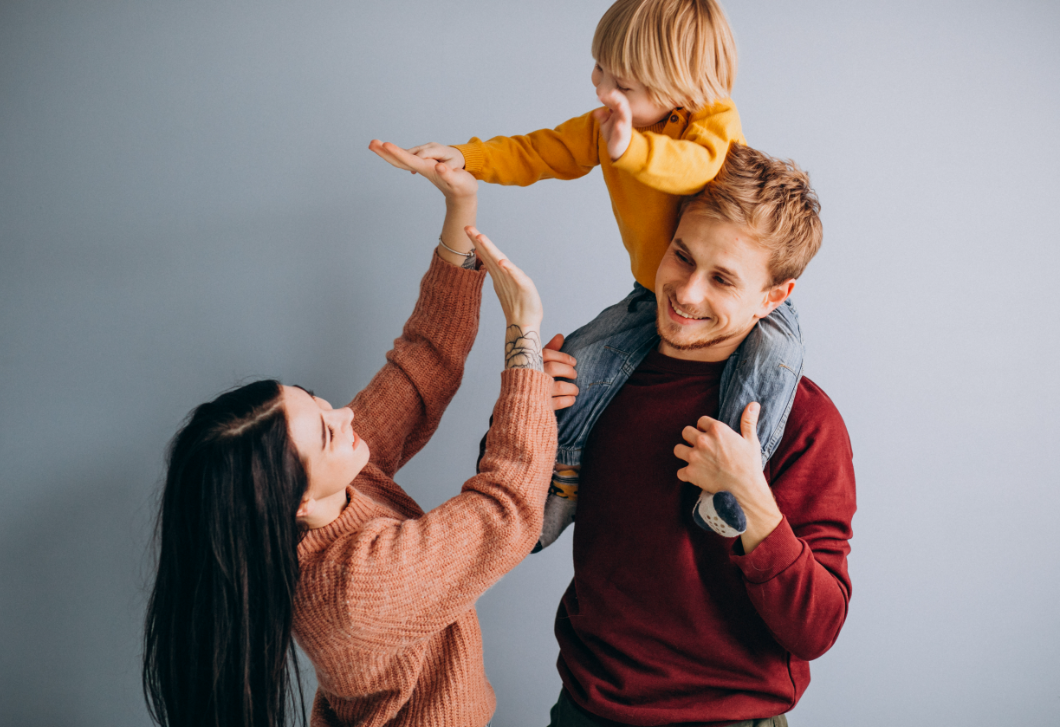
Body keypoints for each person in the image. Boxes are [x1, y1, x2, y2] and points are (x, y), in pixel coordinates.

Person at [141, 145, 576, 727]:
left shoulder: (329, 488)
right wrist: (522, 337)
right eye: (325, 428)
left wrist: (460, 207)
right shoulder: (353, 593)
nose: (345, 416)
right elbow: (503, 515)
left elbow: (422, 365)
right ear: (293, 498)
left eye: (318, 400)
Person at [387, 0, 805, 546]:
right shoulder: (605, 126)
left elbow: (694, 167)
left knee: (771, 363)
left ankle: (725, 487)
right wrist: (466, 158)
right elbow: (538, 152)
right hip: (649, 293)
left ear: (681, 88)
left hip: (747, 308)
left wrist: (629, 147)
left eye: (621, 84)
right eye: (600, 67)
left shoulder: (712, 124)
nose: (599, 85)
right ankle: (561, 483)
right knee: (578, 362)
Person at [544, 144, 856, 726]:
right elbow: (510, 524)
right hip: (585, 710)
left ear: (774, 296)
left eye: (722, 279)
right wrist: (526, 417)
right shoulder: (596, 379)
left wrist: (752, 499)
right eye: (682, 257)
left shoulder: (806, 424)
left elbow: (818, 627)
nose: (687, 292)